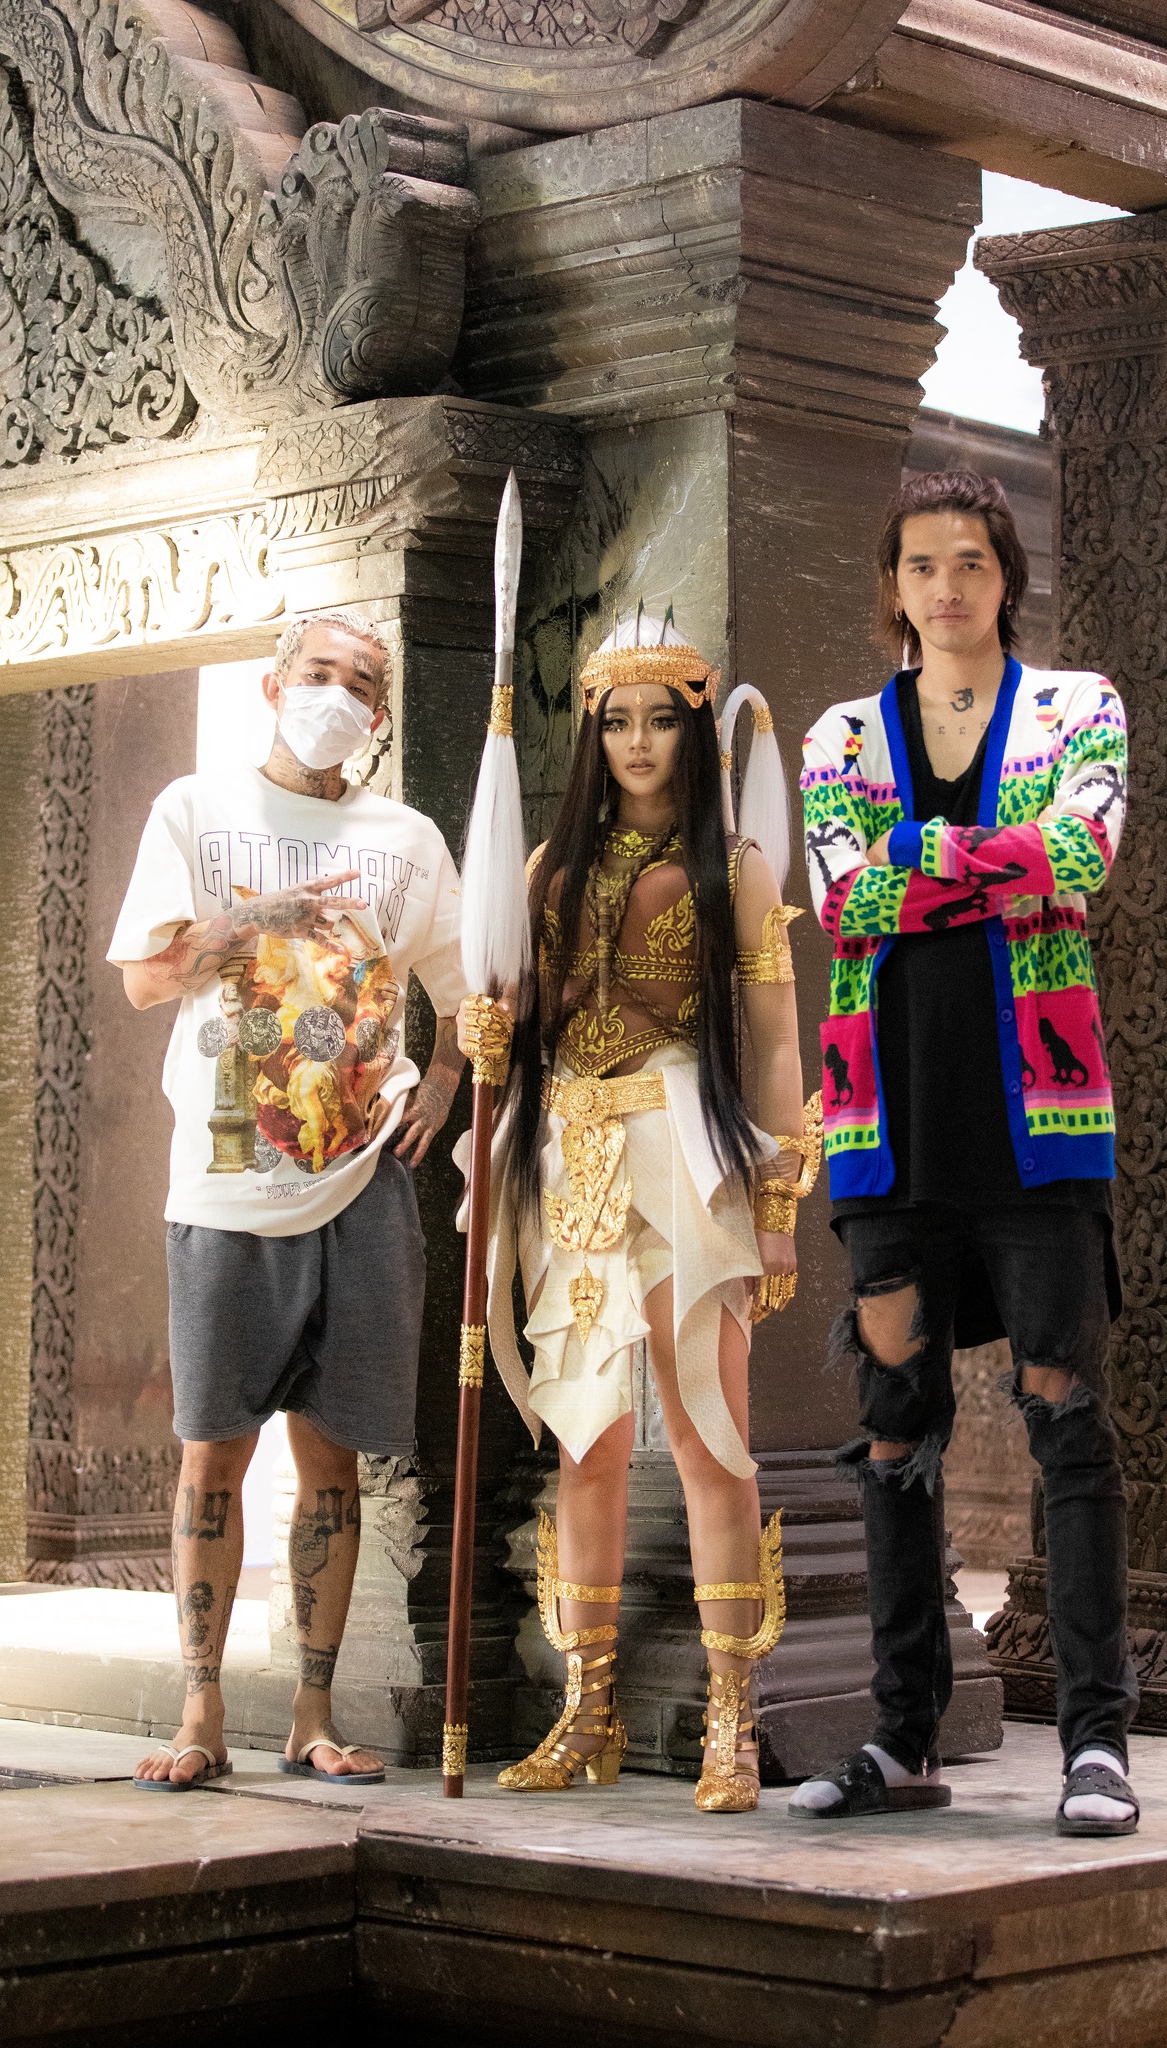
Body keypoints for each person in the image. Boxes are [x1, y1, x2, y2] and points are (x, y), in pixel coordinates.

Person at [789, 470, 1139, 1836]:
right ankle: (901, 1735)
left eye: (973, 563)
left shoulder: (1077, 708)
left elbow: (1081, 855)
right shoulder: (838, 734)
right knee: (894, 1433)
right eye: (924, 564)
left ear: (1007, 579)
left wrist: (918, 862)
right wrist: (997, 859)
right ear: (894, 584)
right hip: (885, 1121)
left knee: (1066, 1419)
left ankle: (1096, 1744)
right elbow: (840, 897)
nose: (947, 587)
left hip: (1042, 1116)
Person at [459, 610, 816, 1812]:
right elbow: (513, 1012)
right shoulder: (546, 870)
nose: (640, 741)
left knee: (710, 1426)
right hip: (567, 1152)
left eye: (662, 719)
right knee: (585, 1438)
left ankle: (732, 1716)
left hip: (683, 1148)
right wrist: (485, 1033)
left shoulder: (737, 870)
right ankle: (588, 1708)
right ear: (593, 733)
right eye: (618, 721)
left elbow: (776, 1041)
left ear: (694, 728)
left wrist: (778, 1198)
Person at [110, 609, 466, 1789]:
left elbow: (473, 986)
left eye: (362, 683)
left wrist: (443, 1085)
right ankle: (200, 1709)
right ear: (274, 685)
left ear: (380, 716)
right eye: (319, 673)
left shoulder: (407, 840)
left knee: (334, 1464)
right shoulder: (195, 810)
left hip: (363, 1182)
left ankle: (313, 1713)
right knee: (212, 1456)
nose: (338, 696)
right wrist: (237, 929)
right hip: (226, 1184)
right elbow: (143, 978)